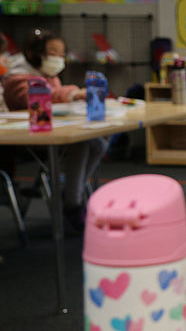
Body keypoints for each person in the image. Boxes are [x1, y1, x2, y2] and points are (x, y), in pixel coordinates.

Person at [3, 31, 108, 232]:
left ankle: (70, 192)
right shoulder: (18, 76)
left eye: (61, 54)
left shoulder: (49, 75)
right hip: (27, 137)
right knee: (80, 142)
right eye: (53, 52)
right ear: (35, 52)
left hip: (49, 131)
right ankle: (73, 202)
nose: (57, 58)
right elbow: (39, 97)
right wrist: (74, 93)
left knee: (98, 142)